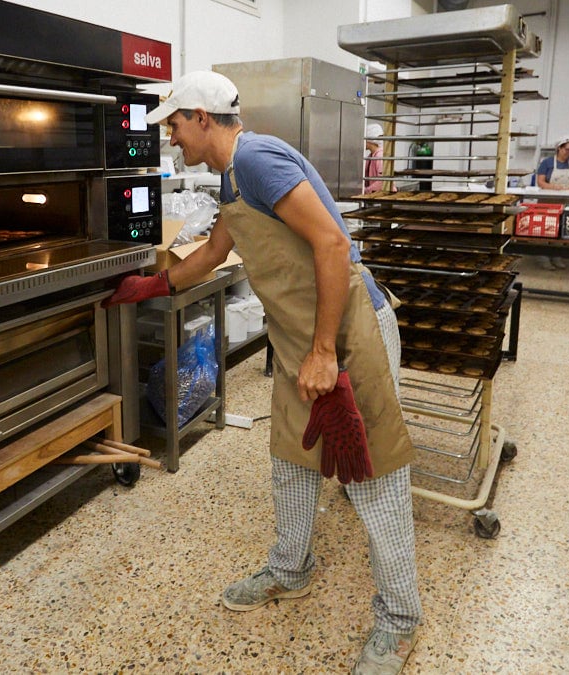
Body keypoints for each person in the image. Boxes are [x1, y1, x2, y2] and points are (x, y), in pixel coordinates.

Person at [102, 71, 422, 675]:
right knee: (292, 463)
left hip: (348, 333)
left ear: (202, 118)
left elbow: (332, 245)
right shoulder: (230, 177)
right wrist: (152, 284)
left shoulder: (256, 160)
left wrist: (324, 351)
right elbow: (214, 251)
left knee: (372, 477)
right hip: (303, 339)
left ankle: (400, 619)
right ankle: (290, 570)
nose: (171, 138)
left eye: (175, 125)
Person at [535, 136, 569, 269]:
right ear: (559, 148)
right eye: (567, 149)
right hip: (548, 200)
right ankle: (543, 258)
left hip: (566, 200)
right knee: (546, 229)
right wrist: (553, 187)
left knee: (561, 229)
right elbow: (540, 182)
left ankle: (557, 257)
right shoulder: (547, 162)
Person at [364, 123, 386, 193]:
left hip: (383, 195)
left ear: (370, 139)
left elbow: (382, 181)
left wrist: (366, 190)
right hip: (374, 194)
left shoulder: (380, 156)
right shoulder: (370, 156)